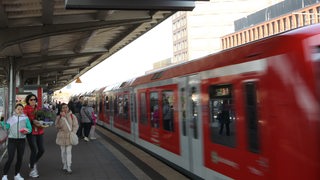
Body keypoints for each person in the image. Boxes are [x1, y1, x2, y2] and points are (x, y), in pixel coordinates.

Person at [1, 104, 32, 180]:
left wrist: (27, 131)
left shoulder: (26, 118)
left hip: (21, 140)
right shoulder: (11, 119)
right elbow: (6, 127)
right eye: (18, 109)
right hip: (12, 140)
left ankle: (17, 175)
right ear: (15, 110)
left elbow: (30, 128)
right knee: (10, 158)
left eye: (21, 109)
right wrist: (1, 121)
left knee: (20, 158)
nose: (20, 111)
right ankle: (4, 175)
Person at [23, 94, 44, 178]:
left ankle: (32, 162)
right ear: (28, 100)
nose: (33, 101)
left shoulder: (39, 108)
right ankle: (33, 170)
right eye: (31, 99)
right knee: (34, 150)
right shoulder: (25, 109)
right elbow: (24, 120)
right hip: (31, 132)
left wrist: (43, 121)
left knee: (42, 150)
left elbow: (43, 117)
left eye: (34, 99)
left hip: (40, 131)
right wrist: (33, 122)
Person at [55, 103, 79, 173]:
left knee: (68, 151)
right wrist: (61, 119)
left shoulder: (72, 116)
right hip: (61, 136)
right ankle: (64, 164)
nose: (65, 109)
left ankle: (69, 166)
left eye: (66, 107)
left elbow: (76, 125)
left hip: (69, 136)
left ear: (68, 108)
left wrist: (73, 133)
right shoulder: (59, 117)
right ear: (61, 109)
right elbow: (57, 126)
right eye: (63, 108)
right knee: (63, 152)